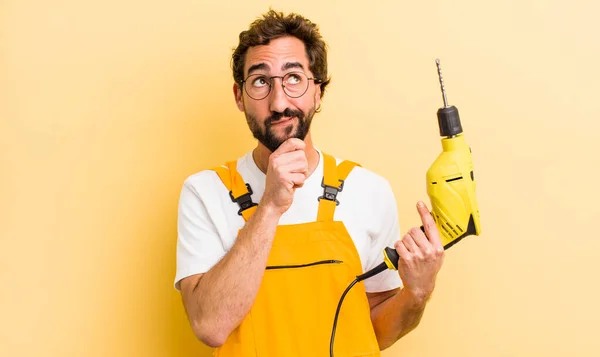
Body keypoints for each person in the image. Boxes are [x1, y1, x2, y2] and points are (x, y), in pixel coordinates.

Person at [174, 9, 445, 356]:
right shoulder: (205, 191)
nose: (279, 101)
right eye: (260, 81)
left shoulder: (368, 190)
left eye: (294, 78)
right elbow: (210, 326)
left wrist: (416, 295)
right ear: (239, 96)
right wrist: (270, 206)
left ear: (318, 92)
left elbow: (373, 331)